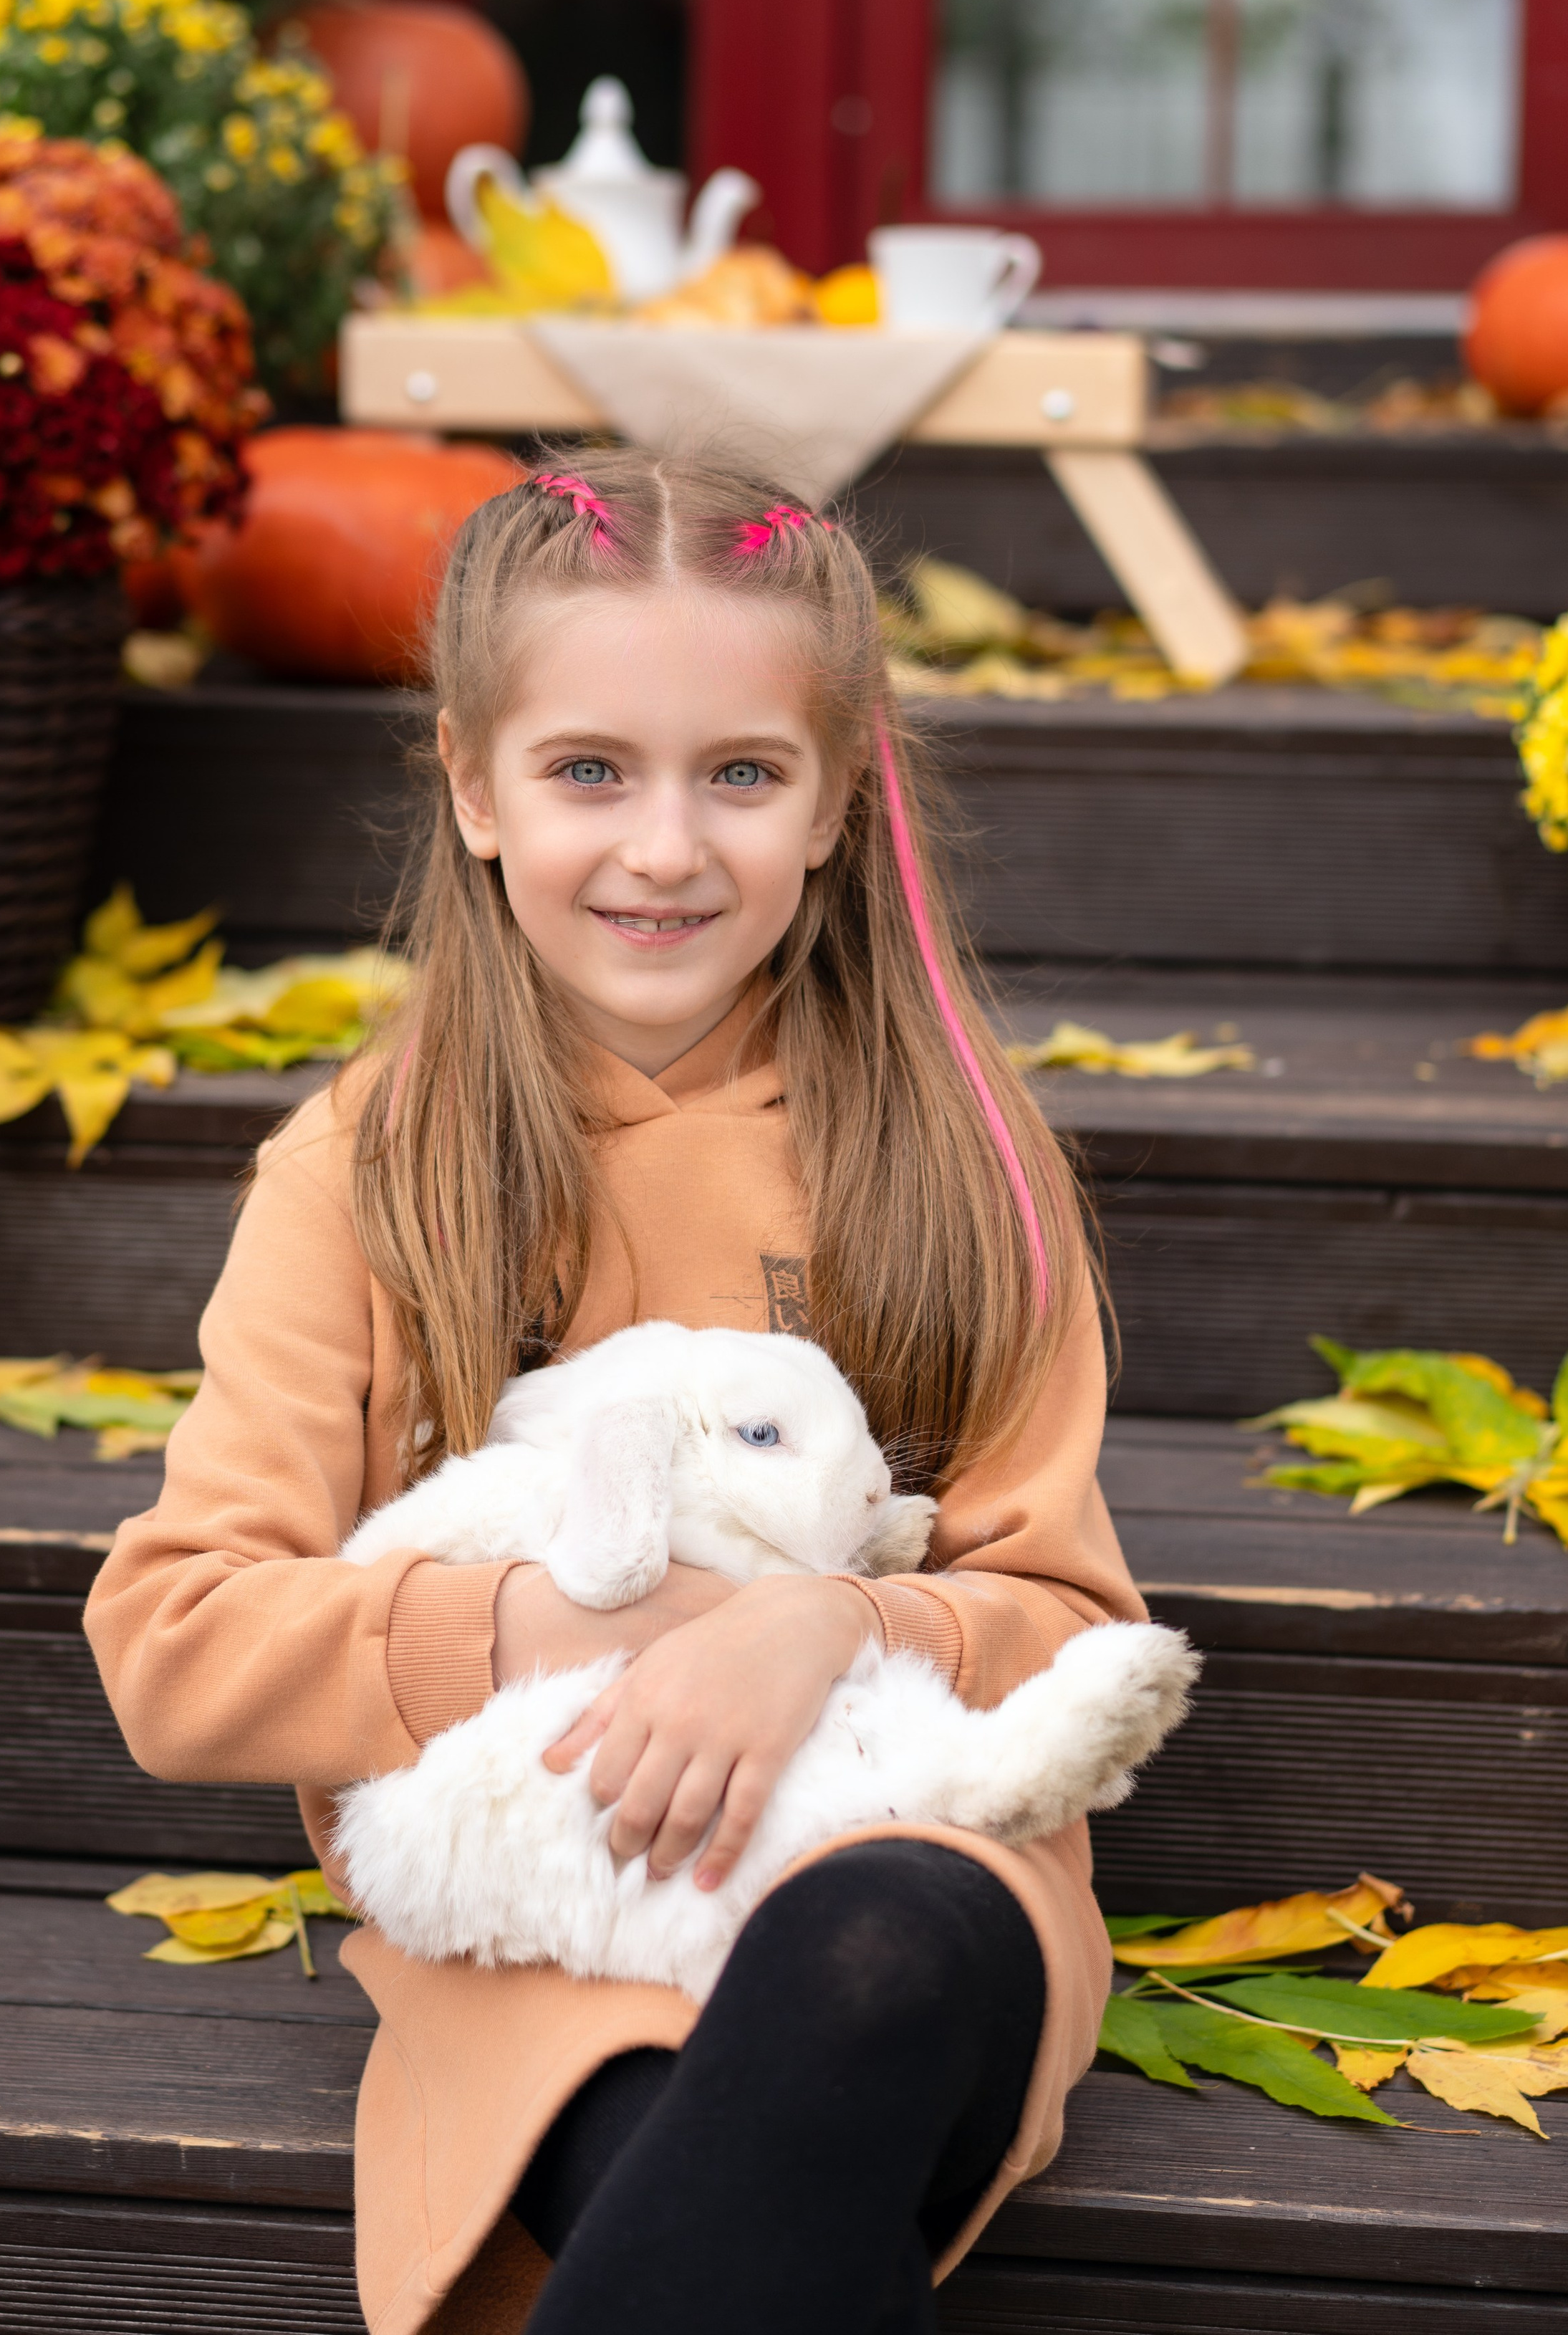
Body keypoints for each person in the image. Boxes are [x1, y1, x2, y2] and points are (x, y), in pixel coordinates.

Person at [85, 449, 1147, 2335]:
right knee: (704, 2171)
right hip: (564, 1916)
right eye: (592, 770)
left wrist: (820, 1628)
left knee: (867, 1969)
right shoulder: (368, 1171)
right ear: (474, 788)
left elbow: (1066, 1615)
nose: (666, 849)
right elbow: (175, 1639)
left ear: (836, 805)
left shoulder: (959, 1163)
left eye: (741, 773)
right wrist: (579, 1623)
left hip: (898, 1866)